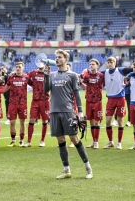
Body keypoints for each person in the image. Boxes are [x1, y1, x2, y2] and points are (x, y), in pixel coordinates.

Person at [44, 49, 93, 179]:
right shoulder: (52, 75)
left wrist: (80, 111)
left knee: (74, 139)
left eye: (59, 57)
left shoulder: (72, 75)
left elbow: (77, 94)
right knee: (60, 140)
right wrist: (46, 75)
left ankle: (88, 168)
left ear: (66, 59)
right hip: (54, 111)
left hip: (68, 111)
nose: (57, 59)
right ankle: (66, 170)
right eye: (56, 57)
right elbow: (46, 90)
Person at [102, 57, 133, 150]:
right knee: (108, 122)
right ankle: (111, 142)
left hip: (120, 99)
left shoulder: (120, 70)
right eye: (108, 62)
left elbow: (133, 69)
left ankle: (119, 143)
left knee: (120, 122)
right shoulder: (105, 72)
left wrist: (128, 78)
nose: (110, 63)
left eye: (111, 62)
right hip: (110, 99)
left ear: (115, 63)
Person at [23, 64, 50, 147]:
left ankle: (42, 141)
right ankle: (29, 141)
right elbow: (25, 78)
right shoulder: (33, 73)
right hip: (35, 100)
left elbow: (50, 85)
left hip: (45, 101)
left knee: (45, 121)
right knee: (31, 120)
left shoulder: (48, 73)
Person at [80, 59, 105, 149]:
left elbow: (102, 86)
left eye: (93, 64)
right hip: (89, 101)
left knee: (96, 121)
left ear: (97, 66)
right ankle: (93, 141)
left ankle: (96, 142)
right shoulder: (87, 75)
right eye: (90, 64)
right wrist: (80, 82)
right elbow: (83, 85)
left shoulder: (101, 76)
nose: (91, 65)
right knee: (91, 122)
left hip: (97, 101)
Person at [5, 62, 29, 147]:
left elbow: (35, 86)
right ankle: (13, 140)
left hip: (23, 103)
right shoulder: (11, 77)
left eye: (19, 67)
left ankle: (21, 140)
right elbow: (5, 88)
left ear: (23, 68)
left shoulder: (26, 77)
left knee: (22, 122)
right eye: (16, 67)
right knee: (12, 122)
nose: (18, 68)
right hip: (12, 103)